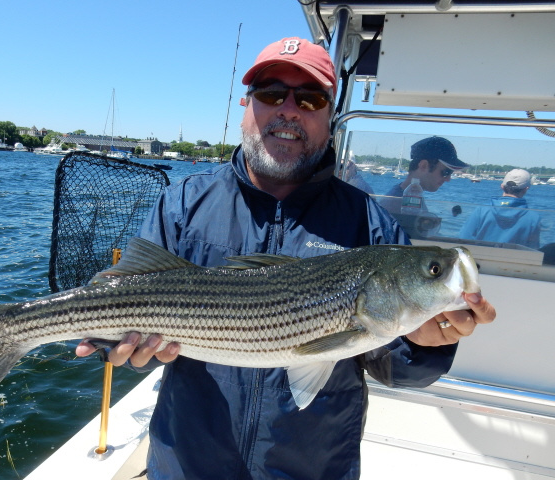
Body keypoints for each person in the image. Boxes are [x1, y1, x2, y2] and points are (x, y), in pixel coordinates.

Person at [76, 37, 496, 479]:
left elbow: (395, 368)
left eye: (310, 98)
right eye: (272, 93)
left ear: (329, 117)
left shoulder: (368, 223)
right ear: (246, 106)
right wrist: (114, 345)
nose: (289, 109)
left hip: (311, 467)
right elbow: (123, 298)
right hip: (188, 461)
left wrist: (425, 347)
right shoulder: (183, 202)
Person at [380, 136, 469, 214]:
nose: (448, 179)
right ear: (423, 165)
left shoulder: (408, 197)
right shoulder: (396, 205)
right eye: (446, 172)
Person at [460, 168, 541, 249]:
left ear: (502, 186)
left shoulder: (481, 210)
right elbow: (532, 251)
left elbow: (464, 239)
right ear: (526, 189)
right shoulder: (533, 218)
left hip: (479, 260)